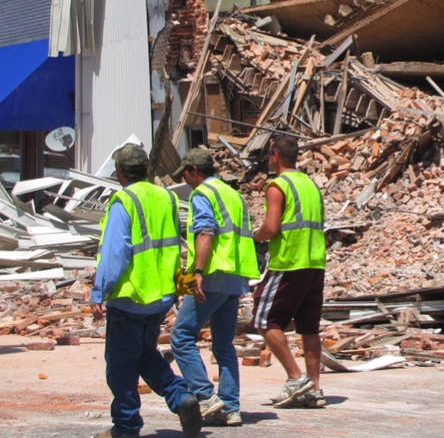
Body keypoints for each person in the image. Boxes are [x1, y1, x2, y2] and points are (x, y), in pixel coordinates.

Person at [90, 144, 203, 438]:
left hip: (130, 296)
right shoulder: (165, 196)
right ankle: (181, 398)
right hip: (160, 297)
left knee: (121, 366)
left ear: (119, 172)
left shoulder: (123, 200)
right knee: (144, 356)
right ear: (146, 169)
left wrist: (99, 292)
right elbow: (174, 243)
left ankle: (125, 428)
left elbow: (115, 254)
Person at [170, 148, 260, 427]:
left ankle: (207, 397)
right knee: (223, 345)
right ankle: (230, 408)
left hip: (212, 275)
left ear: (194, 171)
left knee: (181, 336)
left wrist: (196, 271)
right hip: (235, 276)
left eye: (185, 174)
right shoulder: (233, 194)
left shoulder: (202, 195)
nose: (185, 180)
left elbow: (206, 232)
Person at [253, 135, 327, 408]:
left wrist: (253, 236)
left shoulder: (278, 185)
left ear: (275, 156)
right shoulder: (311, 185)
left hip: (288, 261)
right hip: (315, 261)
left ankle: (297, 379)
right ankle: (315, 389)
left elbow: (271, 227)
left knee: (263, 319)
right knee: (309, 327)